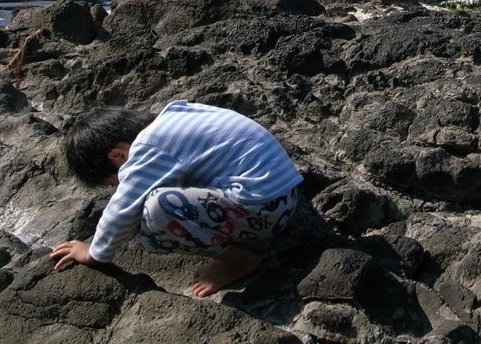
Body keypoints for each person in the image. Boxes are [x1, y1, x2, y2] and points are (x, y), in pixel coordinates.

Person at [50, 99, 303, 297]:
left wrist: (93, 253)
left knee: (158, 207)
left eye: (115, 181)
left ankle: (236, 261)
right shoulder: (176, 116)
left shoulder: (146, 147)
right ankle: (255, 239)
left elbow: (123, 209)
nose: (119, 186)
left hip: (264, 211)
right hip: (283, 195)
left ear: (117, 155)